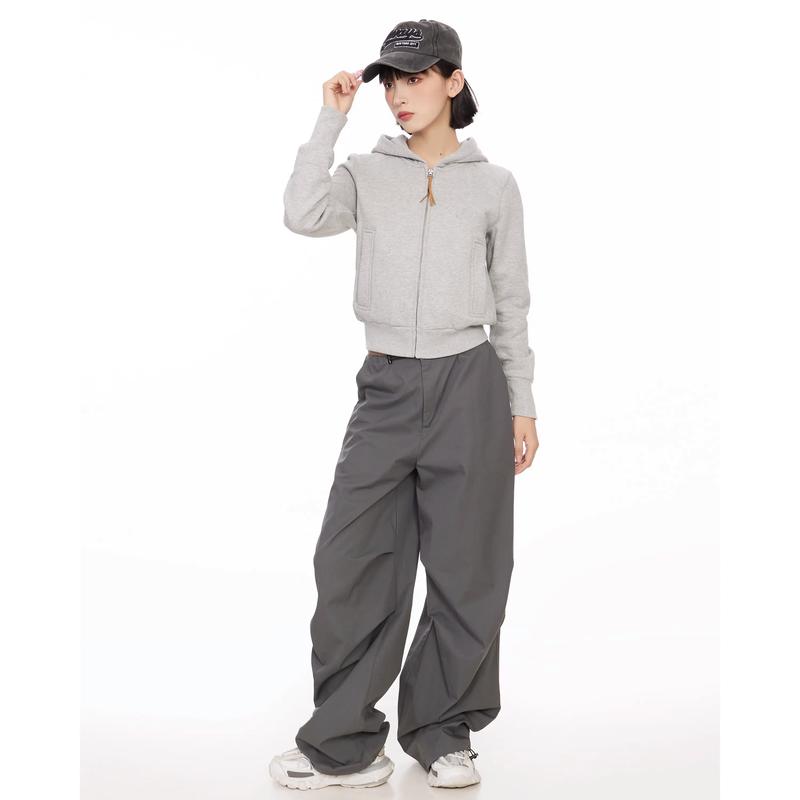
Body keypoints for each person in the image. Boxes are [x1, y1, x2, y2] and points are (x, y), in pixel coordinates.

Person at [268, 18, 539, 791]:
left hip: (470, 384)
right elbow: (302, 213)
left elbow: (512, 301)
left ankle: (444, 733)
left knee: (468, 568)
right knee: (351, 561)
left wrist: (521, 402)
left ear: (453, 81)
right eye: (390, 79)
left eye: (415, 78)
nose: (399, 94)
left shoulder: (494, 185)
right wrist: (330, 118)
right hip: (386, 384)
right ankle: (345, 745)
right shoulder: (366, 172)